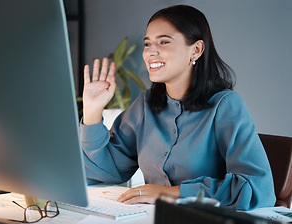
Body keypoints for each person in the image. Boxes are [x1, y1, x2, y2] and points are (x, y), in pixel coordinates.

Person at [80, 5, 276, 210]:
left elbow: (258, 190)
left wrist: (171, 193)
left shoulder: (225, 105)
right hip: (150, 222)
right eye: (147, 44)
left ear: (197, 50)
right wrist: (93, 111)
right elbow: (104, 172)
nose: (150, 52)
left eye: (164, 42)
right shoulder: (145, 105)